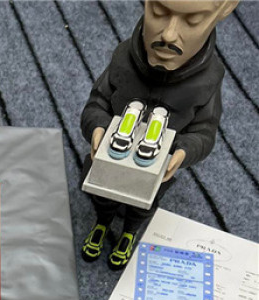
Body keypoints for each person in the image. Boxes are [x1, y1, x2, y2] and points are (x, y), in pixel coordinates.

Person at [80, 0, 238, 270]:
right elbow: (97, 102)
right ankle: (102, 223)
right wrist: (97, 127)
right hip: (110, 157)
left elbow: (205, 130)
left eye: (192, 20)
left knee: (143, 203)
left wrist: (183, 152)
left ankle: (129, 232)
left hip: (156, 165)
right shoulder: (123, 56)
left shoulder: (210, 78)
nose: (168, 35)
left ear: (224, 8)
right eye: (159, 12)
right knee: (103, 194)